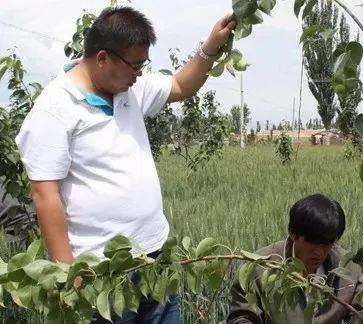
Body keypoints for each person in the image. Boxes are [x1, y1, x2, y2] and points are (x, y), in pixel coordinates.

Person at [15, 6, 235, 323]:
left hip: (154, 258)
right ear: (103, 58)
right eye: (134, 65)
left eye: (142, 65)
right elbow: (45, 195)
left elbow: (180, 86)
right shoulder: (54, 108)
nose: (139, 74)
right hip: (101, 271)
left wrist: (210, 48)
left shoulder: (129, 89)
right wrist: (68, 274)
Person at [227, 194, 362, 324]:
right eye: (313, 243)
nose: (320, 252)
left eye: (327, 244)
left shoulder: (349, 269)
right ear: (293, 234)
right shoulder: (259, 268)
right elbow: (242, 317)